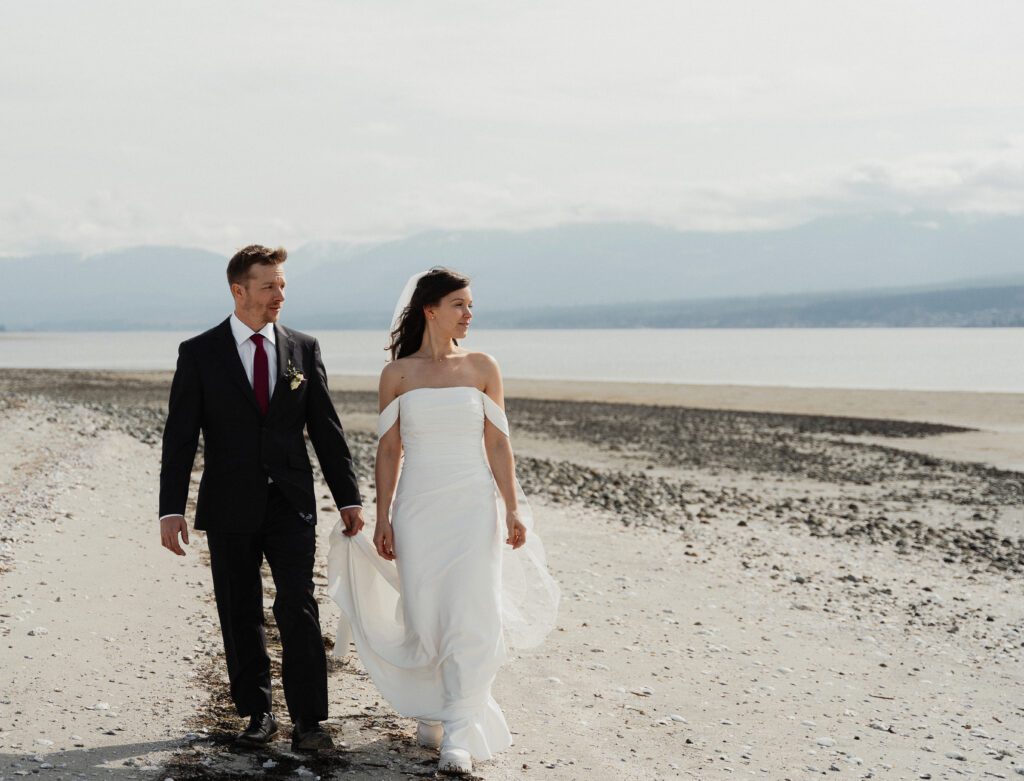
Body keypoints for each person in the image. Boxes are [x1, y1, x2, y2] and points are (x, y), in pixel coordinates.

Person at [326, 267, 560, 776]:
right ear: (430, 309)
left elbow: (498, 442)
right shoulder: (398, 374)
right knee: (425, 608)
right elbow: (390, 449)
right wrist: (383, 515)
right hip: (418, 506)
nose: (469, 313)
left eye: (471, 304)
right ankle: (436, 704)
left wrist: (513, 505)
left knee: (471, 609)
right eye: (459, 304)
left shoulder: (482, 366)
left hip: (473, 505)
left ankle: (458, 725)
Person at [158, 244, 365, 751]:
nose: (280, 294)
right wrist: (170, 507)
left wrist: (348, 498)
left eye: (283, 285)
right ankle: (257, 713)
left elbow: (327, 429)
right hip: (228, 501)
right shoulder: (199, 352)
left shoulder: (303, 347)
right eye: (270, 285)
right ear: (239, 290)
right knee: (239, 607)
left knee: (299, 604)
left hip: (290, 499)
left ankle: (311, 722)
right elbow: (180, 436)